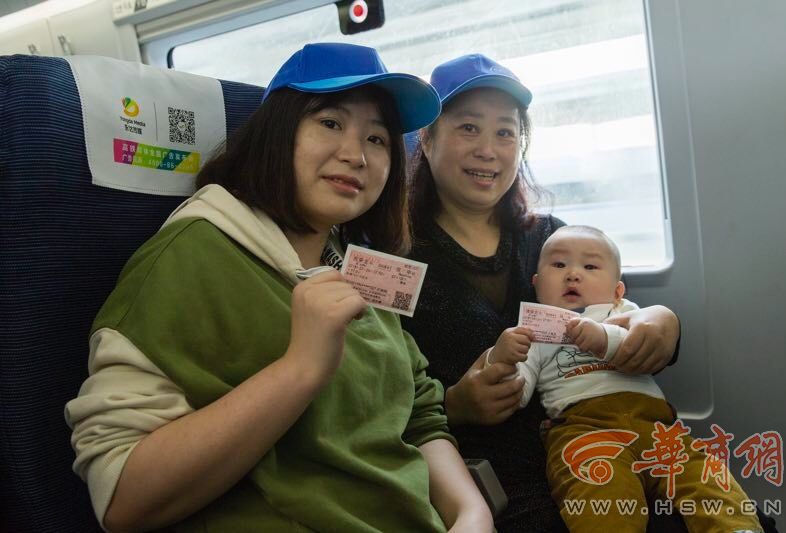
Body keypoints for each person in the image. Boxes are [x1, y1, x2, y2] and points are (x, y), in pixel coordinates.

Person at [64, 43, 492, 533]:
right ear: (276, 133)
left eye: (377, 139)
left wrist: (470, 512)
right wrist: (300, 370)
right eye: (330, 123)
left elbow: (417, 412)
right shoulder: (193, 254)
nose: (355, 155)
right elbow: (121, 496)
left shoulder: (353, 259)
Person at [401, 53, 682, 532]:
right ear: (425, 140)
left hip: (605, 441)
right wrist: (456, 406)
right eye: (469, 128)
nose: (488, 150)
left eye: (505, 132)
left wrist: (663, 323)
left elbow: (614, 315)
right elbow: (379, 393)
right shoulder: (398, 259)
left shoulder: (550, 240)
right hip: (496, 481)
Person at [487, 225, 762, 532]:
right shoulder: (536, 333)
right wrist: (505, 359)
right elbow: (519, 393)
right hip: (584, 429)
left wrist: (602, 337)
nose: (573, 274)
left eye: (590, 266)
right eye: (559, 265)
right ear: (536, 284)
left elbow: (636, 348)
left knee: (706, 479)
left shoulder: (623, 312)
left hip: (656, 425)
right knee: (600, 498)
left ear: (618, 291)